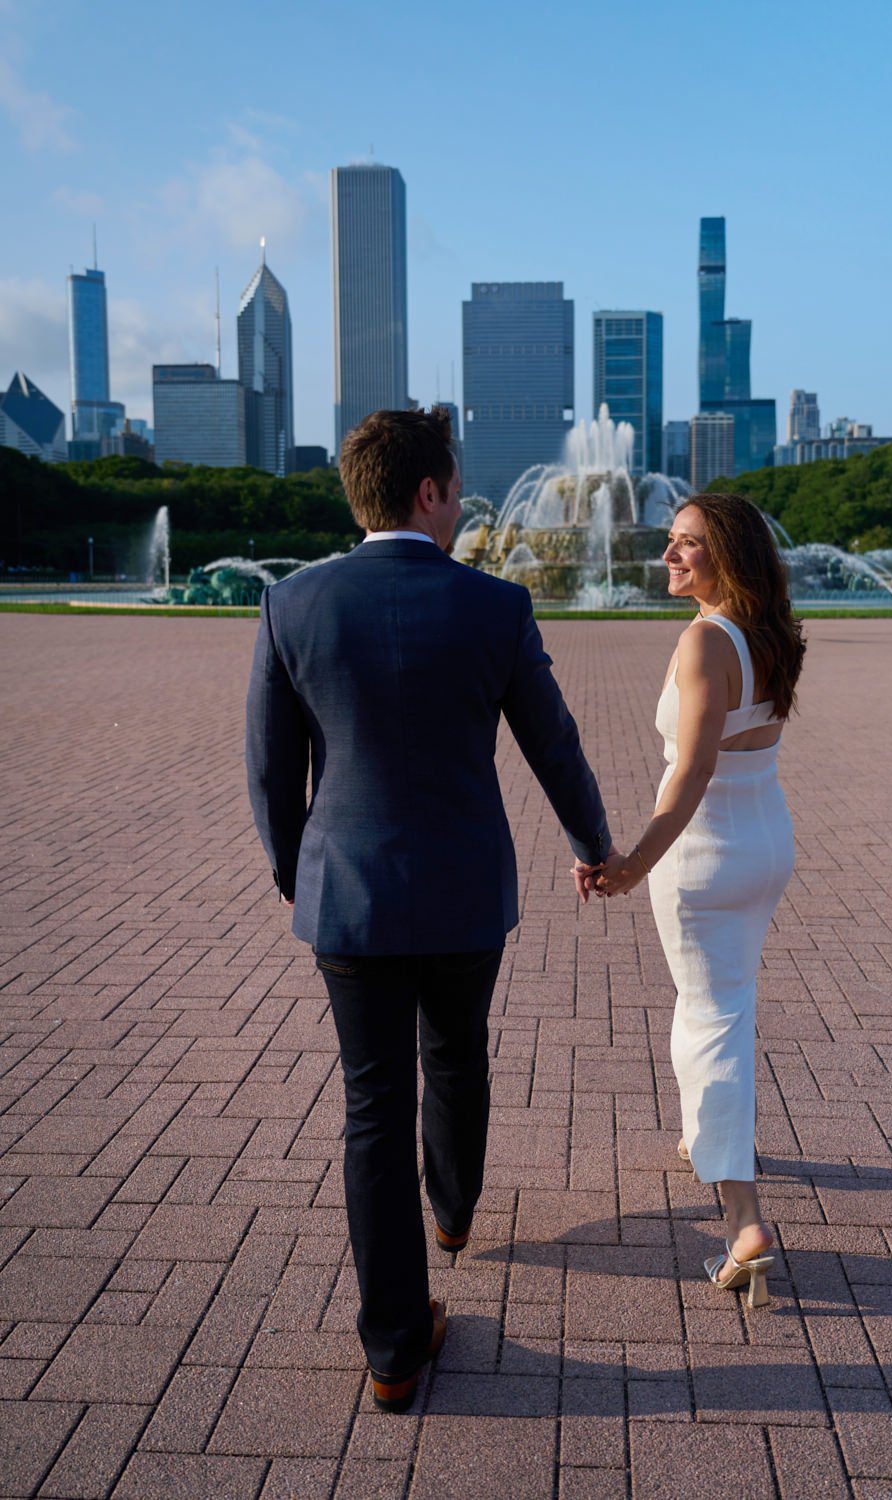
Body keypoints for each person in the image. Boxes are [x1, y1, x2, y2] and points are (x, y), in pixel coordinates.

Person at [245, 407, 612, 1410]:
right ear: (429, 493)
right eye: (454, 488)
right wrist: (593, 846)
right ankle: (452, 1213)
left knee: (372, 1105)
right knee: (456, 1054)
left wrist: (298, 874)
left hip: (347, 897)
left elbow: (271, 774)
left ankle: (395, 1349)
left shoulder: (291, 605)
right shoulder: (494, 606)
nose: (459, 505)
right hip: (460, 894)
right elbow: (555, 745)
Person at [582, 493, 804, 1309]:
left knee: (704, 1018)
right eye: (670, 541)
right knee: (728, 1001)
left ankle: (744, 1220)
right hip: (766, 842)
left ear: (728, 556)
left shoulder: (706, 638)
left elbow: (692, 768)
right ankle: (705, 1137)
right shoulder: (768, 632)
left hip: (707, 854)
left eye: (688, 546)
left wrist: (635, 860)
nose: (669, 557)